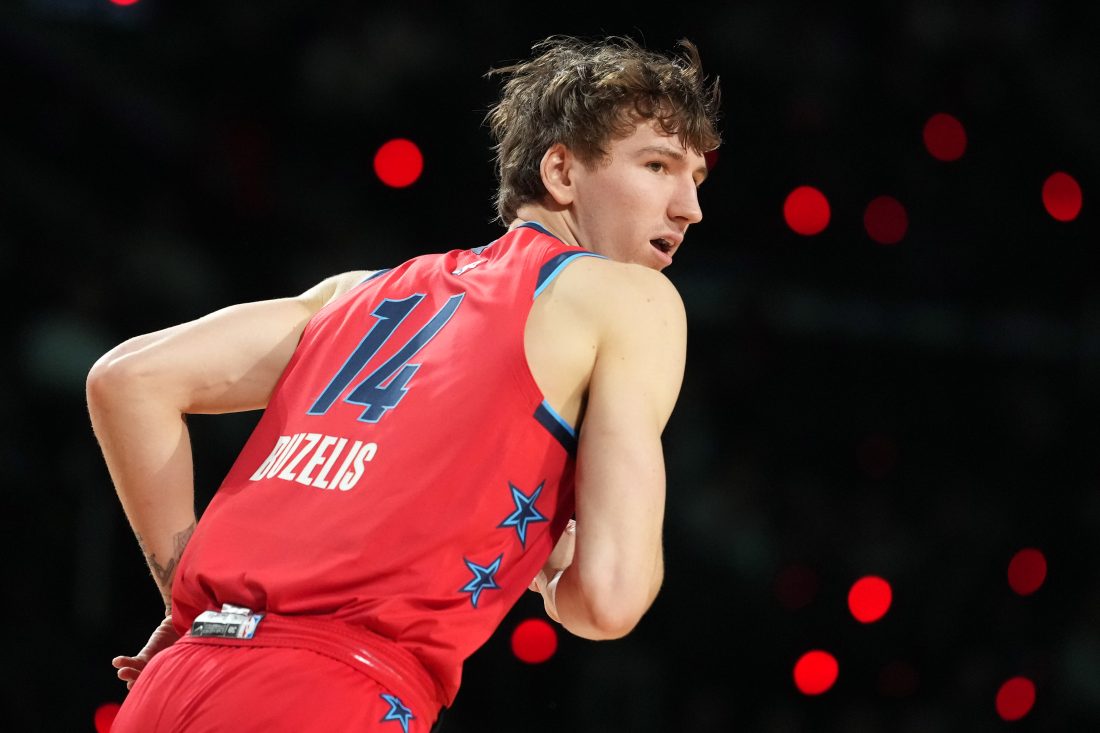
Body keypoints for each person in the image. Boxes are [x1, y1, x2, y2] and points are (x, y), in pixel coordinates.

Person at [86, 34, 720, 732]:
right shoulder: (632, 296)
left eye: (696, 178)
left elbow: (128, 379)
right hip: (335, 695)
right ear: (563, 172)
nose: (688, 207)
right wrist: (550, 570)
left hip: (175, 686)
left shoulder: (352, 294)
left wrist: (185, 605)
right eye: (658, 165)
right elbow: (609, 598)